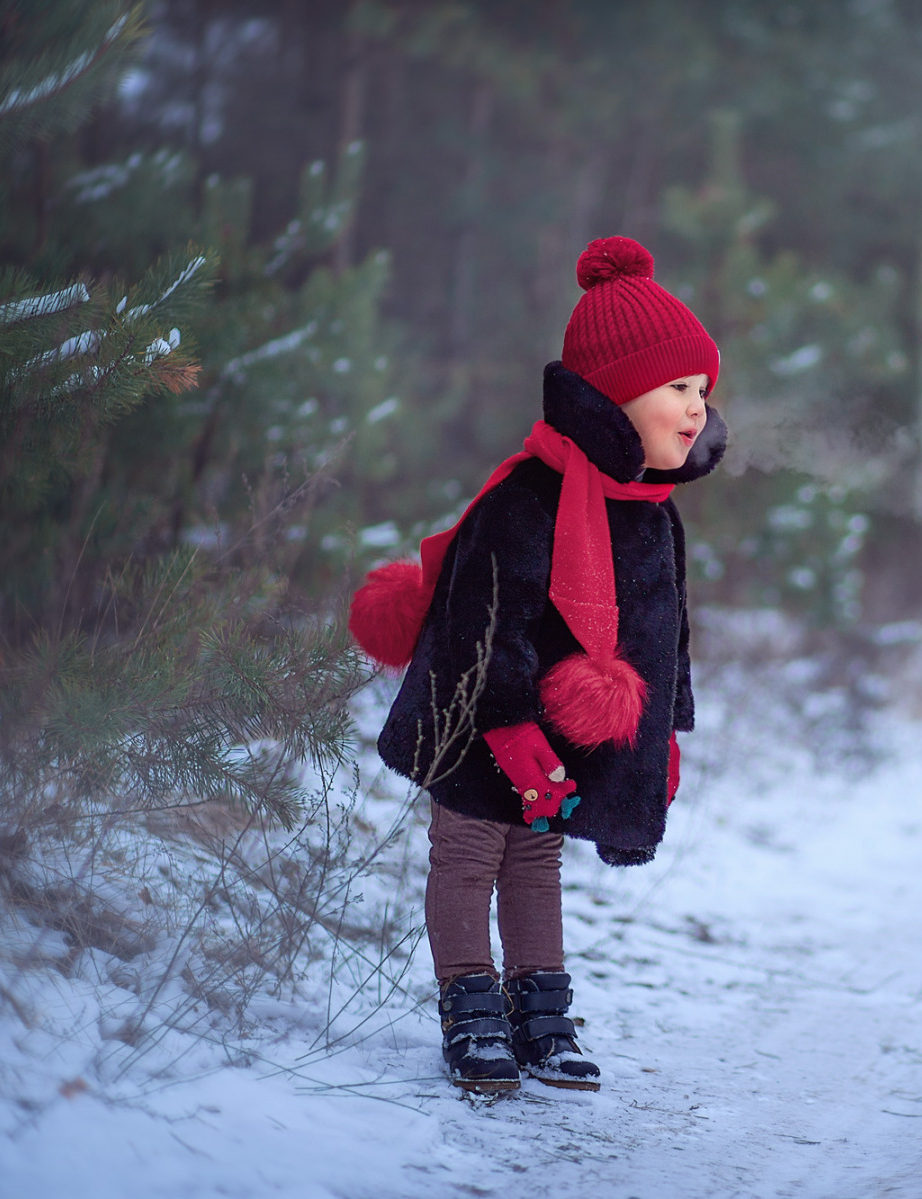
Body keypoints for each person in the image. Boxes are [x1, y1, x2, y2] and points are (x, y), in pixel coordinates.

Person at [350, 236, 726, 1093]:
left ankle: (541, 1010)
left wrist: (663, 731)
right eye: (677, 388)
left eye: (703, 388)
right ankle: (470, 1008)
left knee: (537, 857)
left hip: (558, 732)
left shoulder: (652, 515)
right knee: (469, 849)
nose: (697, 407)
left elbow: (666, 637)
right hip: (479, 716)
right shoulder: (526, 499)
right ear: (615, 395)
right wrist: (511, 728)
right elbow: (483, 627)